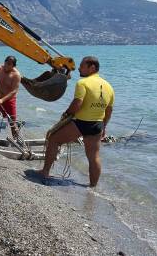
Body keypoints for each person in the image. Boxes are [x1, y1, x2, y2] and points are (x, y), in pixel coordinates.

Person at [37, 56, 114, 187]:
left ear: (92, 68)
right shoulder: (109, 87)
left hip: (81, 123)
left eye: (82, 66)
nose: (78, 68)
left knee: (54, 139)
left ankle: (45, 172)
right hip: (97, 125)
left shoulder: (83, 83)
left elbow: (77, 104)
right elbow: (109, 111)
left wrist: (67, 113)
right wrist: (104, 127)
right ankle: (92, 186)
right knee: (94, 157)